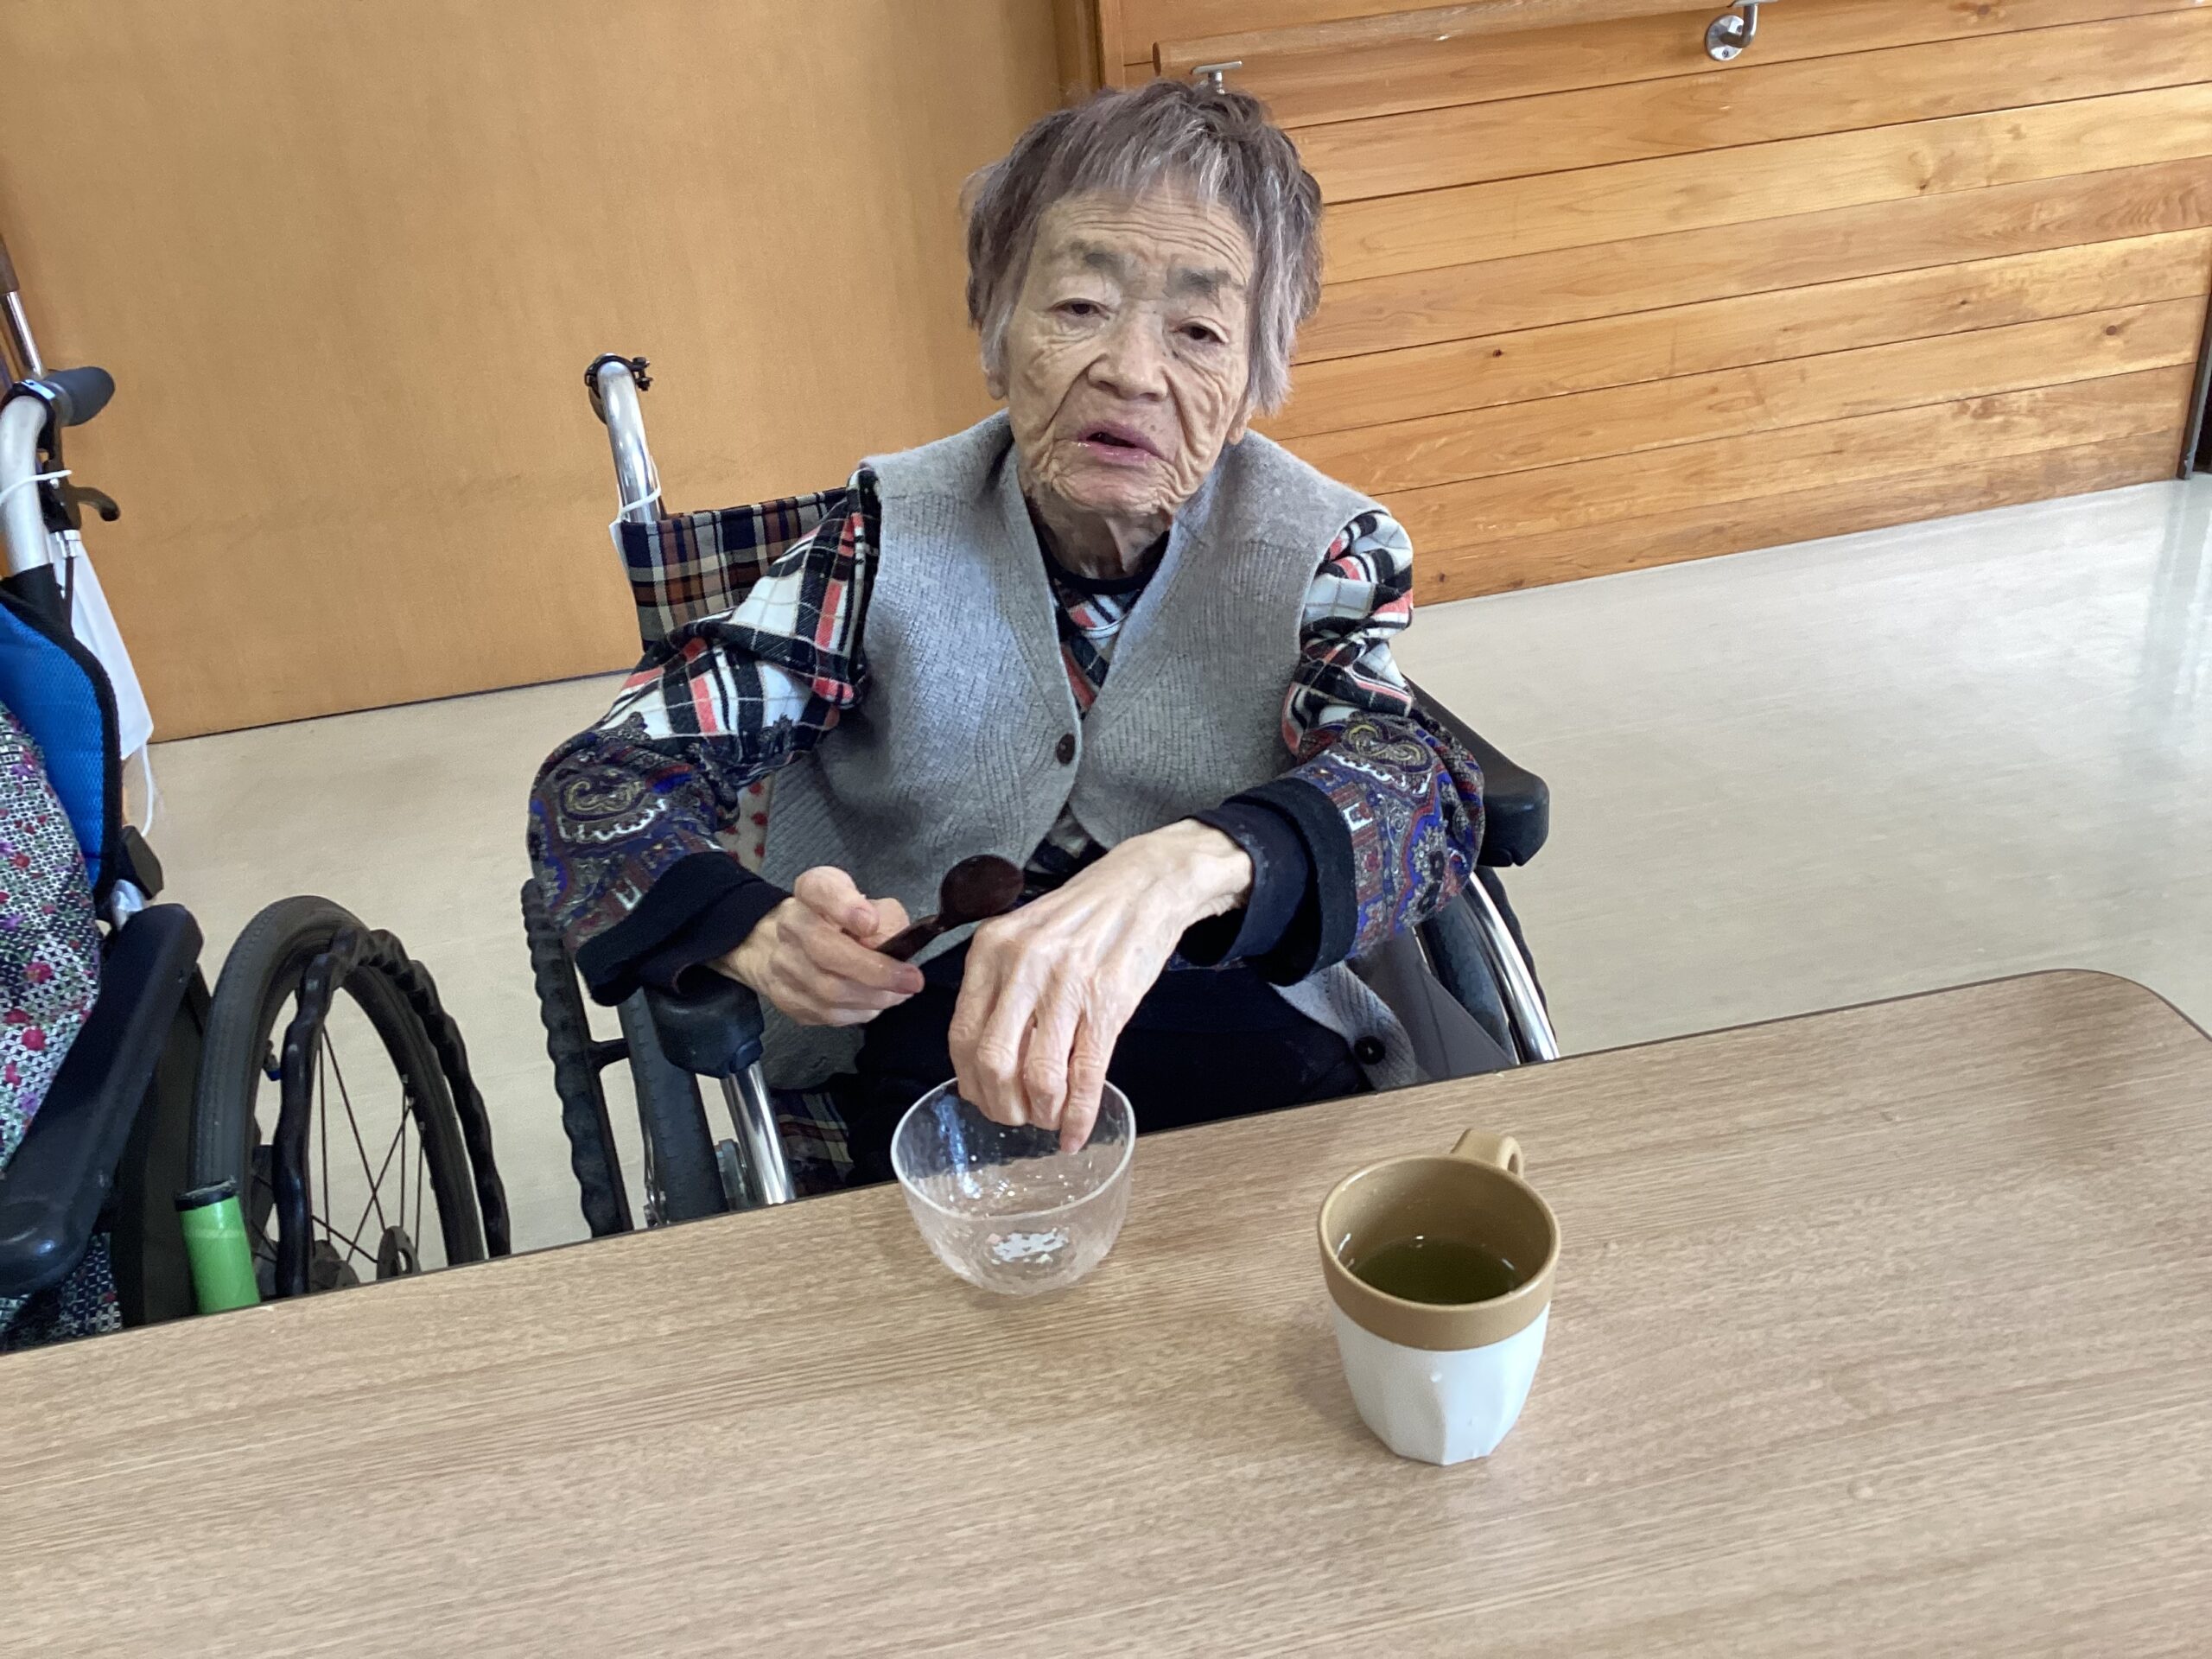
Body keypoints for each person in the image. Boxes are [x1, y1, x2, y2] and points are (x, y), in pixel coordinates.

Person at [527, 78, 1485, 1179]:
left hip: (1251, 1018)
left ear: (1252, 382)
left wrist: (1187, 866)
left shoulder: (1325, 550)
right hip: (943, 1035)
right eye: (1078, 307)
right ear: (995, 332)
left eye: (1197, 330)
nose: (1131, 372)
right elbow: (602, 778)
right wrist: (749, 925)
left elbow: (1418, 785)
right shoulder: (883, 542)